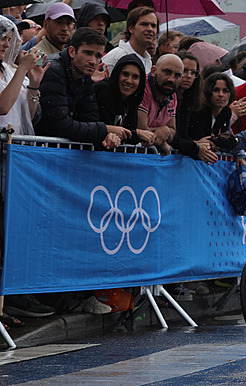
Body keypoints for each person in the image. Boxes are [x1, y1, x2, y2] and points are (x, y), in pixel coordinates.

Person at [0, 16, 54, 325]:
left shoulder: (10, 69)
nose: (7, 45)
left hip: (17, 165)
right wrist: (21, 71)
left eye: (9, 39)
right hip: (2, 162)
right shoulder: (12, 70)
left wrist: (32, 84)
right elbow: (3, 106)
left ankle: (9, 302)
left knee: (13, 235)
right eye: (3, 38)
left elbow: (27, 115)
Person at [35, 27, 130, 149]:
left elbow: (90, 118)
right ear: (72, 52)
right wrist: (105, 130)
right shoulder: (52, 70)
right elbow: (59, 125)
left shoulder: (84, 76)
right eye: (88, 53)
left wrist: (108, 135)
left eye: (98, 56)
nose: (93, 61)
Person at [188, 71, 246, 165]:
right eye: (216, 90)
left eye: (225, 91)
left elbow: (230, 141)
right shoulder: (197, 111)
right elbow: (223, 144)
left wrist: (240, 156)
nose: (221, 94)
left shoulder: (225, 112)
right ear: (207, 92)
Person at [94, 53, 155, 147]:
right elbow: (93, 128)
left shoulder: (133, 99)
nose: (129, 81)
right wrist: (137, 134)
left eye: (135, 77)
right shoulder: (103, 90)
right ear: (117, 75)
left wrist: (139, 136)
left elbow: (126, 135)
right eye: (125, 74)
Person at [171, 50, 217, 164]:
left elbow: (182, 135)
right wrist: (194, 147)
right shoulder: (167, 97)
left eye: (193, 72)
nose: (189, 76)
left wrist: (197, 143)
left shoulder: (188, 100)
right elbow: (171, 138)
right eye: (184, 71)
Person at [137, 53, 182, 155]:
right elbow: (141, 130)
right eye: (167, 72)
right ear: (153, 71)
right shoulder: (142, 86)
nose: (171, 79)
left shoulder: (172, 95)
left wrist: (165, 131)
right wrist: (162, 142)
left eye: (177, 75)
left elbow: (172, 131)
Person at [102, 6, 158, 74]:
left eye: (153, 26)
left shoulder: (148, 60)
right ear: (131, 28)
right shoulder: (115, 57)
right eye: (144, 24)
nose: (150, 29)